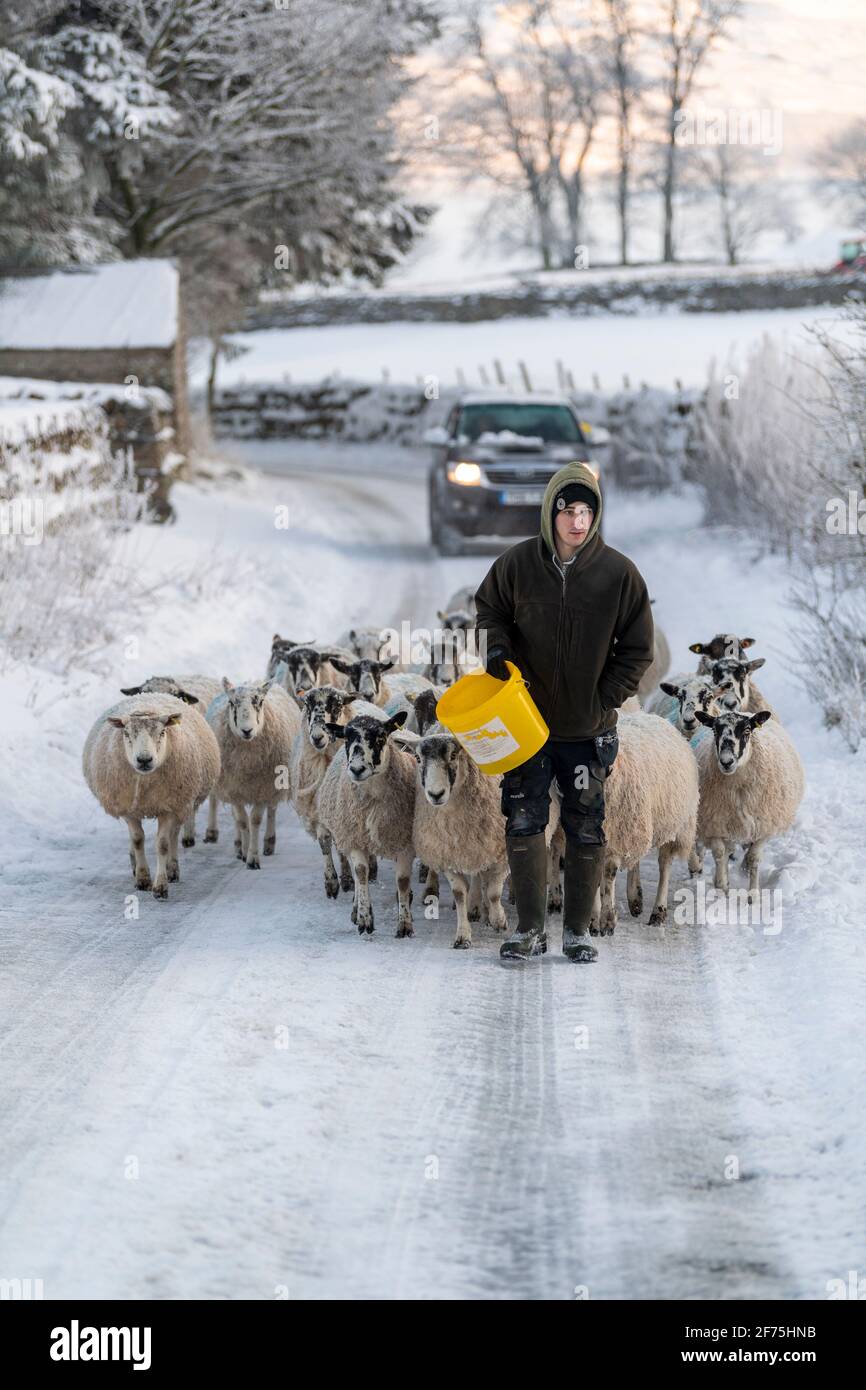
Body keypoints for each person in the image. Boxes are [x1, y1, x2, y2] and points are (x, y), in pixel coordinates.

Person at [474, 462, 654, 962]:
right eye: (568, 510)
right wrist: (497, 652)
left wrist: (606, 697)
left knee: (585, 823)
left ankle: (576, 930)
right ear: (550, 512)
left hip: (587, 728)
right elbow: (489, 609)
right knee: (524, 817)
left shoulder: (619, 574)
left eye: (586, 510)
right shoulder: (517, 564)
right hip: (525, 725)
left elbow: (638, 649)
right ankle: (530, 928)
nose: (578, 521)